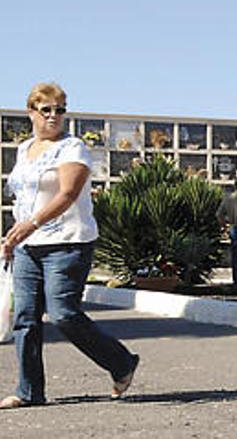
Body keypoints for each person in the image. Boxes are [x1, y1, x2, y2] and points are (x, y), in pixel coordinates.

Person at [0, 82, 139, 409]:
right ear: (31, 112)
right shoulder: (24, 149)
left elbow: (67, 194)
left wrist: (31, 224)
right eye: (45, 109)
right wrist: (12, 237)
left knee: (63, 314)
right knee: (25, 317)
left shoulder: (73, 147)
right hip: (27, 247)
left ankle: (121, 363)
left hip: (68, 243)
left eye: (60, 110)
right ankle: (29, 391)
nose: (53, 116)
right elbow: (22, 198)